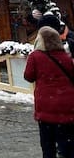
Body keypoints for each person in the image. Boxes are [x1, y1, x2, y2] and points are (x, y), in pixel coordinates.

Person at [24, 26, 74, 158]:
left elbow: (28, 76)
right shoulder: (65, 56)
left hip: (46, 106)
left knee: (48, 146)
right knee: (67, 146)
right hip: (67, 106)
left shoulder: (35, 56)